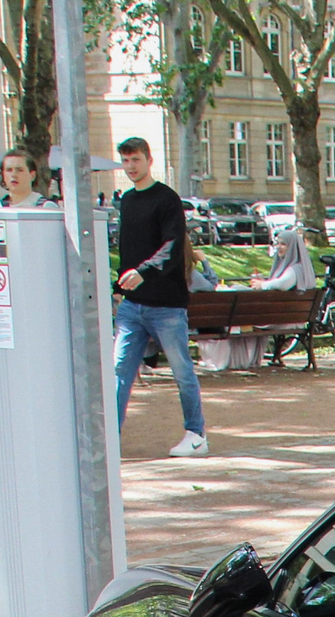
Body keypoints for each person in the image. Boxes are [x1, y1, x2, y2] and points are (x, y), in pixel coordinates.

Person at [109, 136, 208, 458]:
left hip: (166, 305)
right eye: (125, 161)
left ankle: (196, 433)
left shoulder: (166, 199)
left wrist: (144, 271)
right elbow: (128, 247)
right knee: (119, 370)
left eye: (135, 160)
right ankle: (110, 436)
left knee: (182, 371)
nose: (130, 167)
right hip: (132, 304)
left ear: (149, 160)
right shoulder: (126, 200)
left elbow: (172, 246)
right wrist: (120, 283)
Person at [255, 218, 314, 290]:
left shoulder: (295, 269)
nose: (278, 247)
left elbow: (282, 284)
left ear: (292, 247)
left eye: (283, 244)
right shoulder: (296, 267)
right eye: (277, 243)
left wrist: (262, 285)